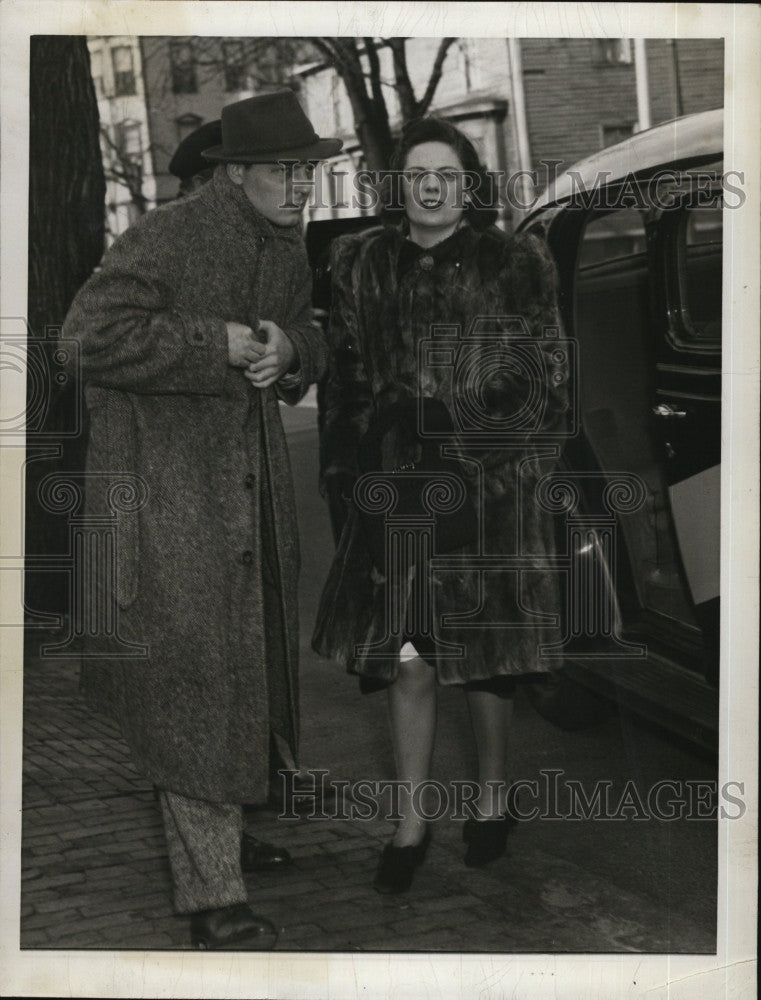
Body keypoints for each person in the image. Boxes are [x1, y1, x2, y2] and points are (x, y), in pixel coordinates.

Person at [63, 90, 341, 949]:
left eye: (309, 171)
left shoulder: (284, 243)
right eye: (285, 172)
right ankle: (212, 898)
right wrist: (211, 345)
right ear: (235, 173)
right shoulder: (172, 232)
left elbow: (307, 331)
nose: (303, 188)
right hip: (169, 503)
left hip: (250, 506)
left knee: (239, 687)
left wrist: (292, 351)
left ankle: (223, 838)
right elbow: (82, 338)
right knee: (194, 694)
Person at [313, 117, 570, 893]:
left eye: (446, 173)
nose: (430, 186)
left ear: (468, 183)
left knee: (484, 659)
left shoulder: (513, 261)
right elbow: (346, 379)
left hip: (486, 491)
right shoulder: (361, 263)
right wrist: (353, 467)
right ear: (397, 185)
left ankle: (492, 800)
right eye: (416, 173)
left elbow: (543, 372)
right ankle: (410, 820)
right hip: (396, 493)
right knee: (408, 657)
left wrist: (459, 419)